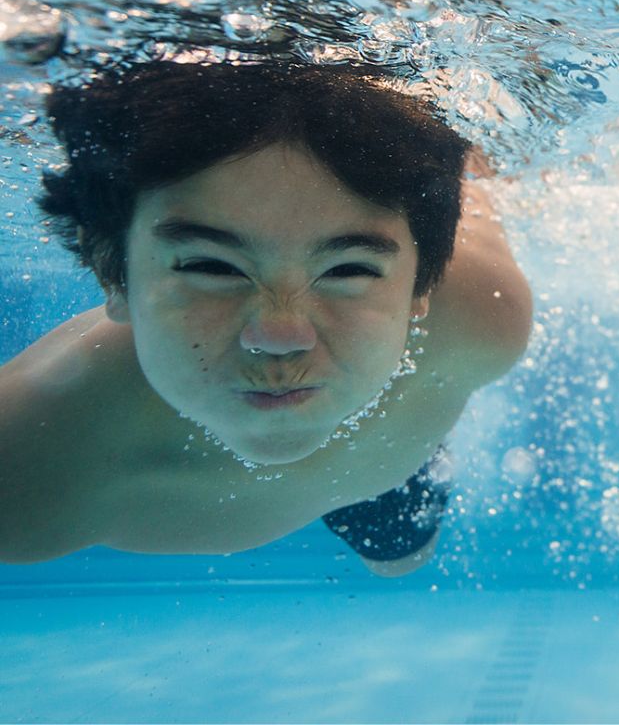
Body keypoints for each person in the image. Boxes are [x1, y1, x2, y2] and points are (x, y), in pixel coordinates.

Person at [0, 60, 532, 577]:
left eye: (348, 269)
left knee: (400, 560)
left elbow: (472, 183)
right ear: (109, 272)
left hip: (391, 446)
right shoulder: (25, 468)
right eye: (212, 266)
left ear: (423, 284)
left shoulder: (479, 315)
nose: (279, 338)